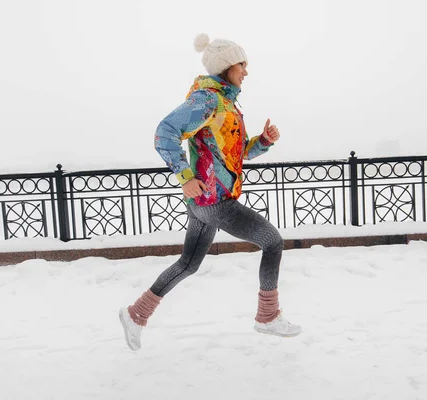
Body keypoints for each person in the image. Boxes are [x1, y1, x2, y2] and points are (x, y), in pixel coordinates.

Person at [119, 33, 301, 350]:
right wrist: (184, 175)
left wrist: (264, 142)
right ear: (226, 66)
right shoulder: (208, 99)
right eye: (241, 65)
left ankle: (137, 314)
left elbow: (237, 153)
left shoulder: (226, 103)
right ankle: (267, 316)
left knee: (188, 264)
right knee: (272, 241)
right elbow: (165, 132)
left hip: (204, 200)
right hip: (213, 200)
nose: (246, 71)